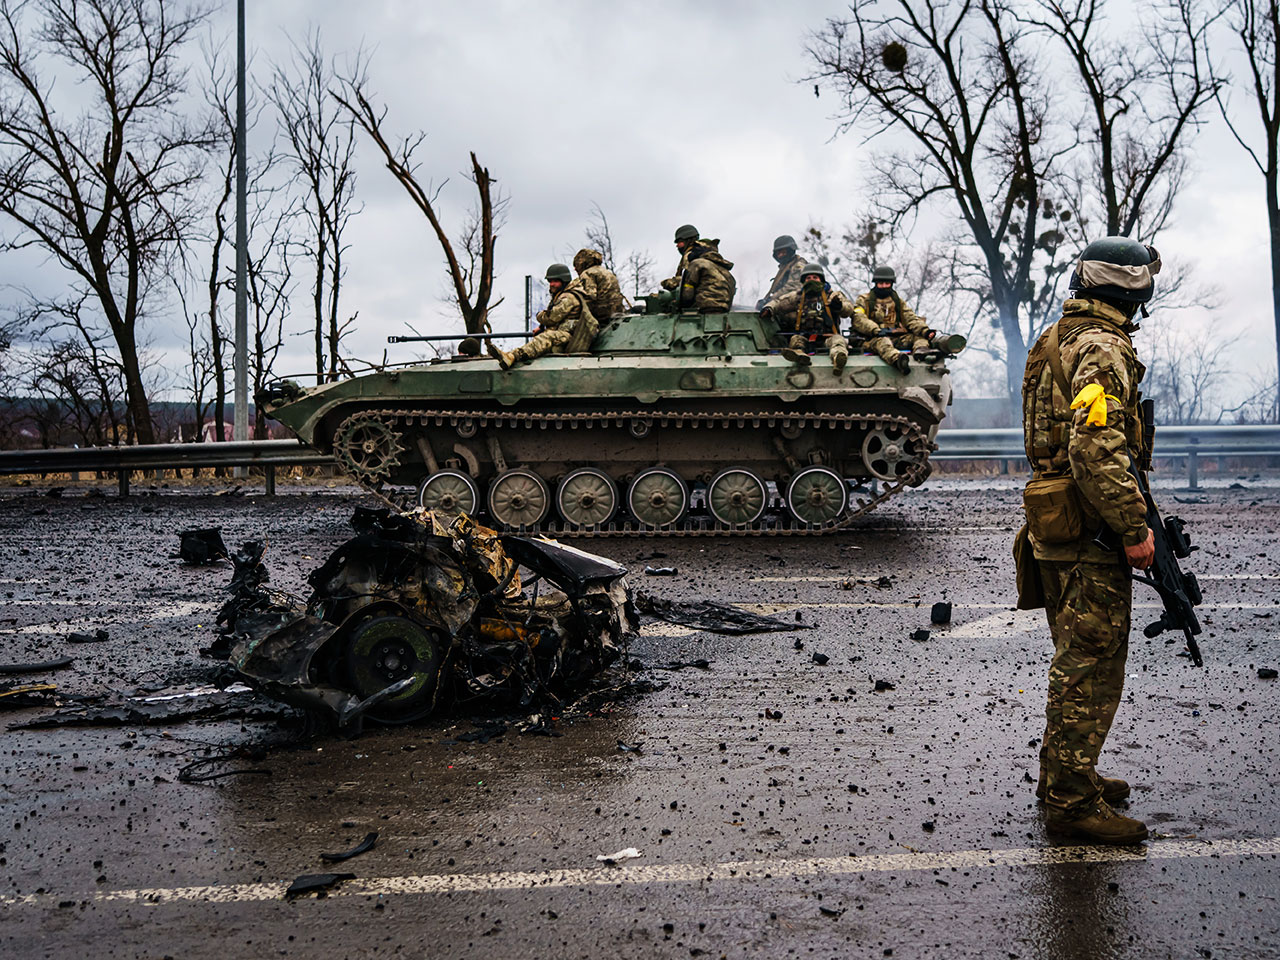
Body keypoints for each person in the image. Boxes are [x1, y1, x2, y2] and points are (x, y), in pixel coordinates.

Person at [1020, 235, 1162, 845]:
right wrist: (1134, 528)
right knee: (1090, 663)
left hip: (1058, 521)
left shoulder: (1058, 336)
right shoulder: (1104, 349)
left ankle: (1067, 776)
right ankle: (1071, 803)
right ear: (1133, 290)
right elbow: (1095, 447)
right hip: (1090, 528)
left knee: (1075, 655)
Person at [486, 263, 598, 369]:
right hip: (563, 335)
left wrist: (540, 316)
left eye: (555, 281)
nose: (552, 284)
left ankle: (513, 356)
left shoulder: (568, 297)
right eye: (550, 281)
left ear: (564, 281)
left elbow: (552, 317)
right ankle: (512, 355)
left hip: (571, 338)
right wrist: (541, 327)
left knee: (547, 337)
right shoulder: (561, 295)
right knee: (546, 336)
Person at [852, 266, 964, 367]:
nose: (884, 286)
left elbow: (910, 318)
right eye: (881, 283)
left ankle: (921, 352)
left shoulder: (897, 301)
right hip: (871, 339)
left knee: (919, 337)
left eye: (887, 283)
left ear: (891, 283)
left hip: (895, 338)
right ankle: (898, 360)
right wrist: (875, 330)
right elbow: (858, 318)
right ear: (875, 283)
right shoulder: (864, 300)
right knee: (882, 341)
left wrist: (925, 331)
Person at [761, 264, 850, 373]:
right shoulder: (798, 296)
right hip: (805, 338)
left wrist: (839, 306)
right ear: (803, 281)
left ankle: (838, 359)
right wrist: (769, 308)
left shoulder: (832, 296)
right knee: (795, 340)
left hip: (827, 338)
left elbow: (849, 309)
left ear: (821, 280)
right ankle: (800, 356)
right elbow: (779, 302)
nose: (811, 280)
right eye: (808, 278)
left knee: (838, 341)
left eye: (815, 278)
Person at [756, 234, 809, 310]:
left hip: (796, 306)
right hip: (786, 303)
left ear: (791, 250)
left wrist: (770, 300)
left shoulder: (798, 266)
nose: (780, 255)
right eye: (778, 253)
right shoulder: (785, 266)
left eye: (783, 252)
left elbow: (792, 288)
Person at [572, 248, 624, 319]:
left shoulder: (587, 273)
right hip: (617, 310)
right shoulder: (606, 272)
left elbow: (591, 295)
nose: (575, 269)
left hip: (601, 312)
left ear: (582, 264)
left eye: (576, 265)